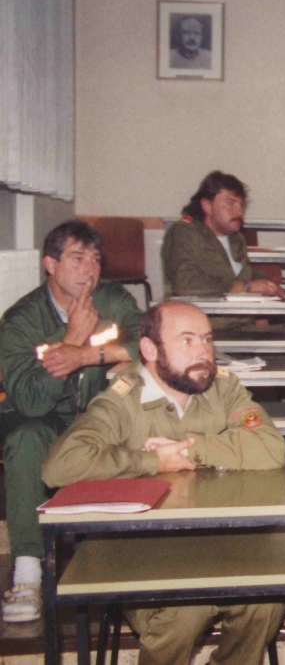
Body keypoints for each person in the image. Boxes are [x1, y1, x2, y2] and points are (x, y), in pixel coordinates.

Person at [41, 301, 285, 663]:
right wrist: (153, 460)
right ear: (150, 350)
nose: (203, 351)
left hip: (215, 537)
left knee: (265, 601)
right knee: (185, 612)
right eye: (186, 341)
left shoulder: (223, 388)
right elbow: (59, 465)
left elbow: (271, 448)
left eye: (206, 339)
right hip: (140, 547)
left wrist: (191, 447)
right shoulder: (123, 400)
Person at [0, 221, 143, 623]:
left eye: (95, 260)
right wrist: (73, 338)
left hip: (99, 410)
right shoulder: (21, 320)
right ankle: (28, 570)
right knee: (26, 438)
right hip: (45, 417)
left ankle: (132, 555)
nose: (89, 270)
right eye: (77, 259)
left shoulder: (112, 301)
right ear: (50, 264)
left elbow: (148, 341)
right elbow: (28, 400)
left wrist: (87, 355)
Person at [161, 171, 285, 299]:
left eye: (241, 204)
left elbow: (243, 276)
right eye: (230, 203)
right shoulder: (184, 233)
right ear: (207, 205)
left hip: (241, 316)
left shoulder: (236, 238)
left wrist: (270, 285)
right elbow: (186, 285)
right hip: (204, 317)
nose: (239, 211)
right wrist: (246, 287)